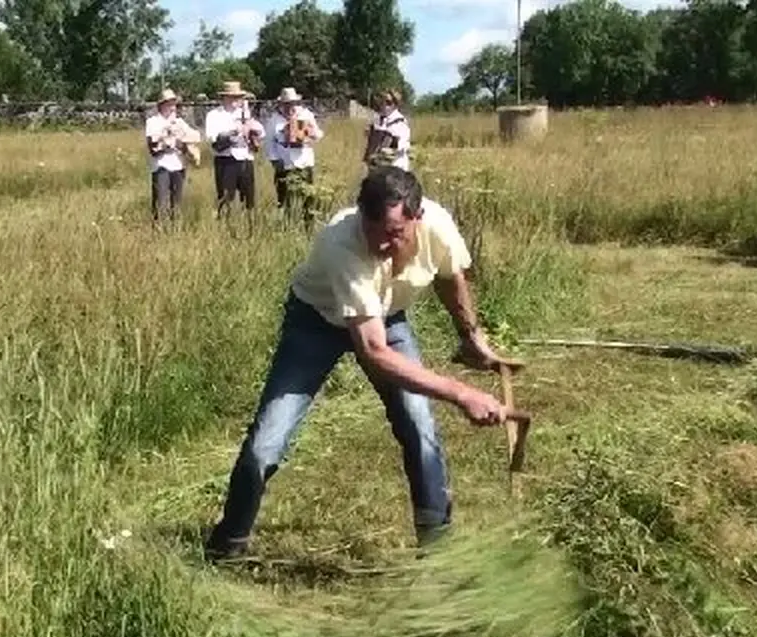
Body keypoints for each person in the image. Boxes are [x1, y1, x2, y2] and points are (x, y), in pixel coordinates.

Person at [204, 166, 521, 561]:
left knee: (418, 424)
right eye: (373, 230)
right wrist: (460, 393)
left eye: (393, 234)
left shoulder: (437, 225)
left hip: (386, 316)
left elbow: (448, 275)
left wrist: (470, 335)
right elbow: (374, 350)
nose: (380, 244)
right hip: (315, 324)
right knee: (267, 441)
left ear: (417, 219)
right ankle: (227, 544)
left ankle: (437, 550)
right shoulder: (341, 243)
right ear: (360, 214)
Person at [265, 87, 325, 225]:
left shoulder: (306, 115)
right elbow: (269, 142)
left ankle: (308, 227)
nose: (290, 106)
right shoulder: (274, 120)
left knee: (308, 199)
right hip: (284, 165)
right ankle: (287, 227)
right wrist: (275, 160)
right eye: (286, 104)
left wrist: (310, 134)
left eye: (292, 103)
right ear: (281, 104)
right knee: (285, 200)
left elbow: (319, 134)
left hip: (304, 163)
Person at [205, 81, 264, 217]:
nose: (235, 100)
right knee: (225, 198)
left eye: (237, 97)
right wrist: (233, 131)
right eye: (232, 96)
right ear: (224, 97)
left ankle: (249, 226)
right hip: (226, 159)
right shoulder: (215, 115)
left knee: (249, 198)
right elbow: (212, 137)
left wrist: (252, 128)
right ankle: (225, 227)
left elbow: (261, 133)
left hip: (245, 158)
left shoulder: (246, 114)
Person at [144, 88, 198, 225]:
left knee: (177, 202)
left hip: (179, 165)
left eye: (174, 104)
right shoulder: (153, 121)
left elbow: (196, 136)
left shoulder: (180, 122)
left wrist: (181, 139)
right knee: (160, 203)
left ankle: (175, 230)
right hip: (161, 165)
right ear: (161, 105)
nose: (173, 107)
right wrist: (166, 138)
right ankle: (158, 231)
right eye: (169, 104)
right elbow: (153, 145)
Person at [363, 89, 412, 171]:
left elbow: (404, 145)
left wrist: (391, 150)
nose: (384, 105)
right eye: (382, 101)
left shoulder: (400, 123)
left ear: (395, 105)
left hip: (395, 168)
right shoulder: (378, 119)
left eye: (388, 102)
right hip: (376, 167)